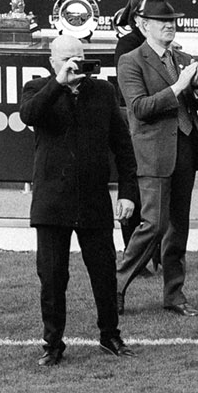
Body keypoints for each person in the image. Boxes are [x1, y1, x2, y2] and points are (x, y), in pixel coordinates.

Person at [18, 34, 138, 363]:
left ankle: (110, 336)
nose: (74, 64)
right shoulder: (37, 89)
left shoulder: (103, 91)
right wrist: (58, 83)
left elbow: (123, 146)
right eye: (66, 59)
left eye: (79, 57)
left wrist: (128, 192)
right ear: (52, 62)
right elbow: (29, 115)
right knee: (52, 276)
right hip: (52, 201)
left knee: (104, 272)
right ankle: (53, 345)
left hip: (93, 199)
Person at [115, 0, 198, 317]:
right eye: (163, 22)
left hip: (186, 151)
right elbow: (139, 108)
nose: (170, 26)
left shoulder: (183, 58)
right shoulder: (131, 61)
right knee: (154, 225)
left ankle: (174, 294)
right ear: (143, 25)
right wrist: (177, 87)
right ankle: (115, 286)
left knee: (178, 229)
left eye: (172, 21)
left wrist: (196, 86)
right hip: (155, 154)